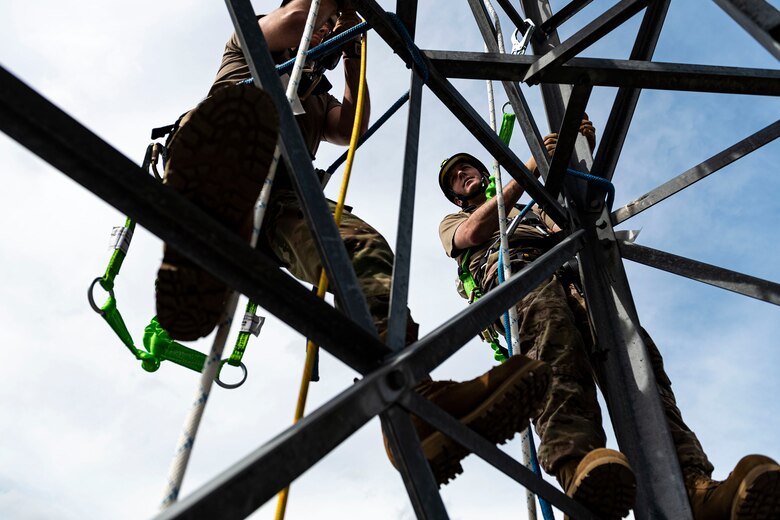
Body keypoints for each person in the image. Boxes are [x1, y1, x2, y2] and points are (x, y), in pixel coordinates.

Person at [155, 0, 554, 488]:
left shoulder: (315, 97)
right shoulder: (252, 43)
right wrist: (335, 12)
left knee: (363, 250)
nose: (325, 28)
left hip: (281, 196)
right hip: (222, 150)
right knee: (237, 136)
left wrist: (350, 52)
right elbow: (300, 18)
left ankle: (413, 400)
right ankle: (208, 223)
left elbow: (354, 124)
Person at [437, 121, 780, 519]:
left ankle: (691, 487)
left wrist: (576, 154)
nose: (462, 175)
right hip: (518, 277)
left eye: (466, 168)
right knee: (554, 349)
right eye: (454, 179)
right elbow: (474, 231)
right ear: (455, 195)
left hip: (573, 275)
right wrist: (531, 166)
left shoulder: (528, 203)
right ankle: (579, 471)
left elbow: (573, 220)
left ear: (482, 171)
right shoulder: (452, 222)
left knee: (638, 361)